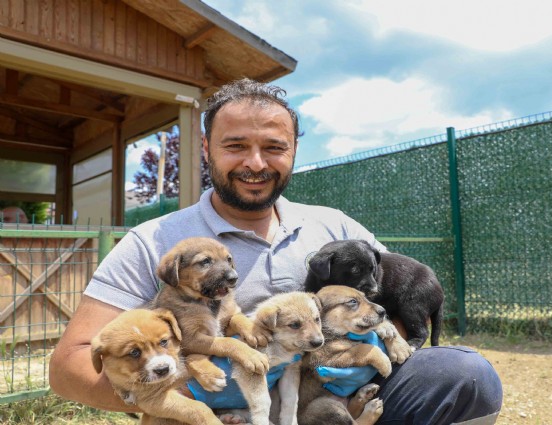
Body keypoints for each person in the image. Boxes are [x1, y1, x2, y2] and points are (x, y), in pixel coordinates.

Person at [49, 78, 502, 424]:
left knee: (462, 373)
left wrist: (346, 357)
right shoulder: (155, 241)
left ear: (294, 152)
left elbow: (393, 304)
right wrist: (189, 397)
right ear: (207, 149)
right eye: (236, 146)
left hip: (328, 398)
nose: (255, 163)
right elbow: (69, 366)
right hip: (224, 410)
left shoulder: (334, 226)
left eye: (273, 147)